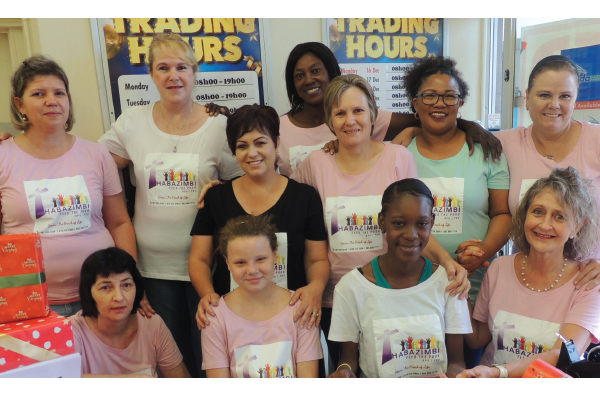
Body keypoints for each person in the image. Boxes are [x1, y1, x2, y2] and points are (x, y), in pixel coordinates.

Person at [290, 74, 470, 366]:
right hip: (339, 299)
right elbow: (285, 200)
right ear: (330, 121)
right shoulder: (316, 163)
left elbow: (416, 225)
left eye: (358, 110)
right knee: (348, 370)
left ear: (373, 114)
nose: (350, 121)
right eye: (340, 113)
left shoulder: (398, 157)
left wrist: (447, 262)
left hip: (395, 295)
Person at [97, 32, 242, 377]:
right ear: (151, 73)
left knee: (211, 359)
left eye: (181, 67)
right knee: (171, 362)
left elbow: (244, 183)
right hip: (152, 269)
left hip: (208, 267)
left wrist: (221, 188)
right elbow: (91, 164)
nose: (172, 76)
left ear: (194, 72)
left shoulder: (220, 126)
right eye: (163, 67)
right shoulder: (131, 122)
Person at [0, 55, 136, 317]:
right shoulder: (3, 156)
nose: (52, 101)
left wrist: (129, 282)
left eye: (59, 93)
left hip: (102, 297)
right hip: (30, 299)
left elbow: (120, 223)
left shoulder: (97, 154)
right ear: (19, 105)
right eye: (39, 94)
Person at [402, 56, 511, 367]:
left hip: (474, 286)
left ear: (460, 103)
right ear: (415, 103)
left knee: (469, 368)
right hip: (416, 284)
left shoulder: (487, 151)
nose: (440, 103)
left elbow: (502, 214)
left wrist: (481, 253)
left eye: (449, 96)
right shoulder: (399, 153)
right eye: (430, 96)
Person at [190, 105, 329, 333]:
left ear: (276, 142)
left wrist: (316, 287)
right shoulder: (216, 197)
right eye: (242, 146)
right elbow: (199, 259)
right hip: (230, 320)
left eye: (260, 143)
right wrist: (208, 295)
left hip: (293, 317)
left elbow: (317, 260)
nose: (252, 153)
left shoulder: (305, 197)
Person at [459, 167, 600, 378]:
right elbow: (477, 339)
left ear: (578, 226)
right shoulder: (498, 268)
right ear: (525, 215)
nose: (545, 224)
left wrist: (498, 373)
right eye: (538, 212)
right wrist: (462, 284)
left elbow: (562, 356)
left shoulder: (588, 284)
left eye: (559, 216)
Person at [328, 179, 471, 378]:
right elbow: (348, 358)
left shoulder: (450, 284)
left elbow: (456, 362)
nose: (411, 235)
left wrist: (456, 377)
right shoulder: (351, 288)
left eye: (421, 224)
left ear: (432, 223)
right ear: (381, 221)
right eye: (399, 223)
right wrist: (344, 370)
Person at [496, 56, 600, 280]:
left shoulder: (596, 140)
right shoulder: (505, 143)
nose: (554, 104)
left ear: (575, 99)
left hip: (588, 281)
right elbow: (450, 134)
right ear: (527, 98)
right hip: (527, 278)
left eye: (565, 96)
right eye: (544, 95)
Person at [201, 215, 323, 378]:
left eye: (260, 259)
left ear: (275, 255)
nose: (252, 270)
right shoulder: (215, 317)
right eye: (240, 262)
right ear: (227, 262)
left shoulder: (301, 309)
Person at [70, 247, 190, 378]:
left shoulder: (152, 323)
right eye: (106, 287)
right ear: (89, 293)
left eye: (126, 285)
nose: (119, 297)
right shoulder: (72, 330)